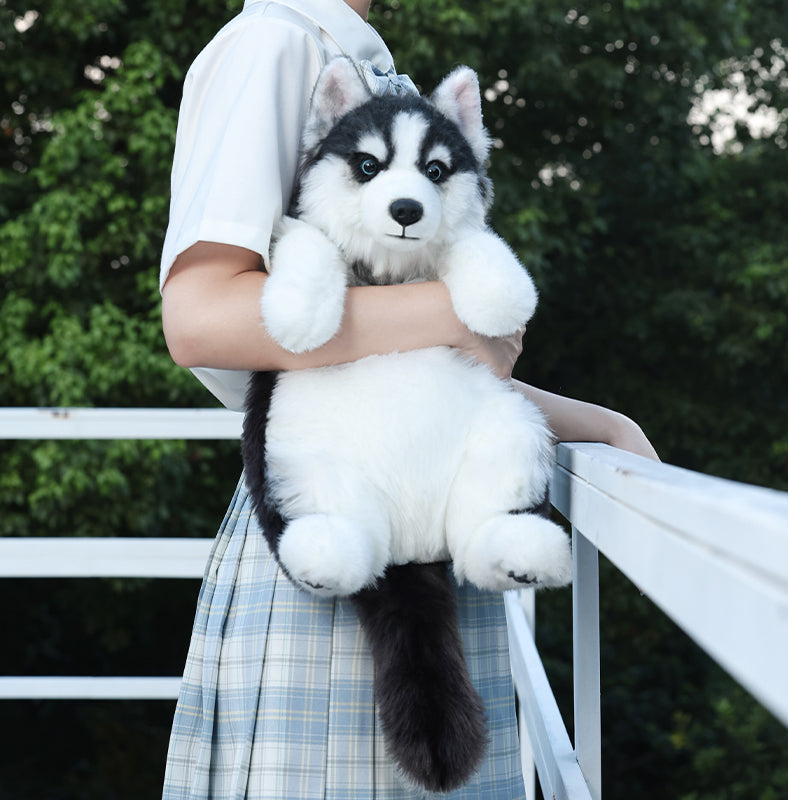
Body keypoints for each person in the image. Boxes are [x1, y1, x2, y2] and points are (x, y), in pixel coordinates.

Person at [159, 1, 659, 798]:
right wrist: (453, 309)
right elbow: (200, 317)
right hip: (329, 563)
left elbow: (418, 368)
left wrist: (599, 425)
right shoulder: (274, 42)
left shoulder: (356, 58)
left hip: (430, 544)